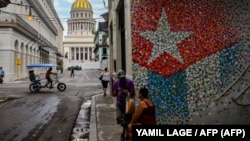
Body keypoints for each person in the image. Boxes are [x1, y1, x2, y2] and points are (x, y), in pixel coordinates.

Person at [112, 70, 135, 140]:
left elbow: (133, 93)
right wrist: (115, 92)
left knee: (127, 120)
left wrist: (128, 92)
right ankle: (127, 130)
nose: (122, 79)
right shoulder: (116, 83)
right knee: (119, 118)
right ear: (118, 78)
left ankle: (124, 134)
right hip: (119, 104)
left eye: (123, 78)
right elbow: (114, 94)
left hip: (128, 104)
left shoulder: (130, 82)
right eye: (121, 78)